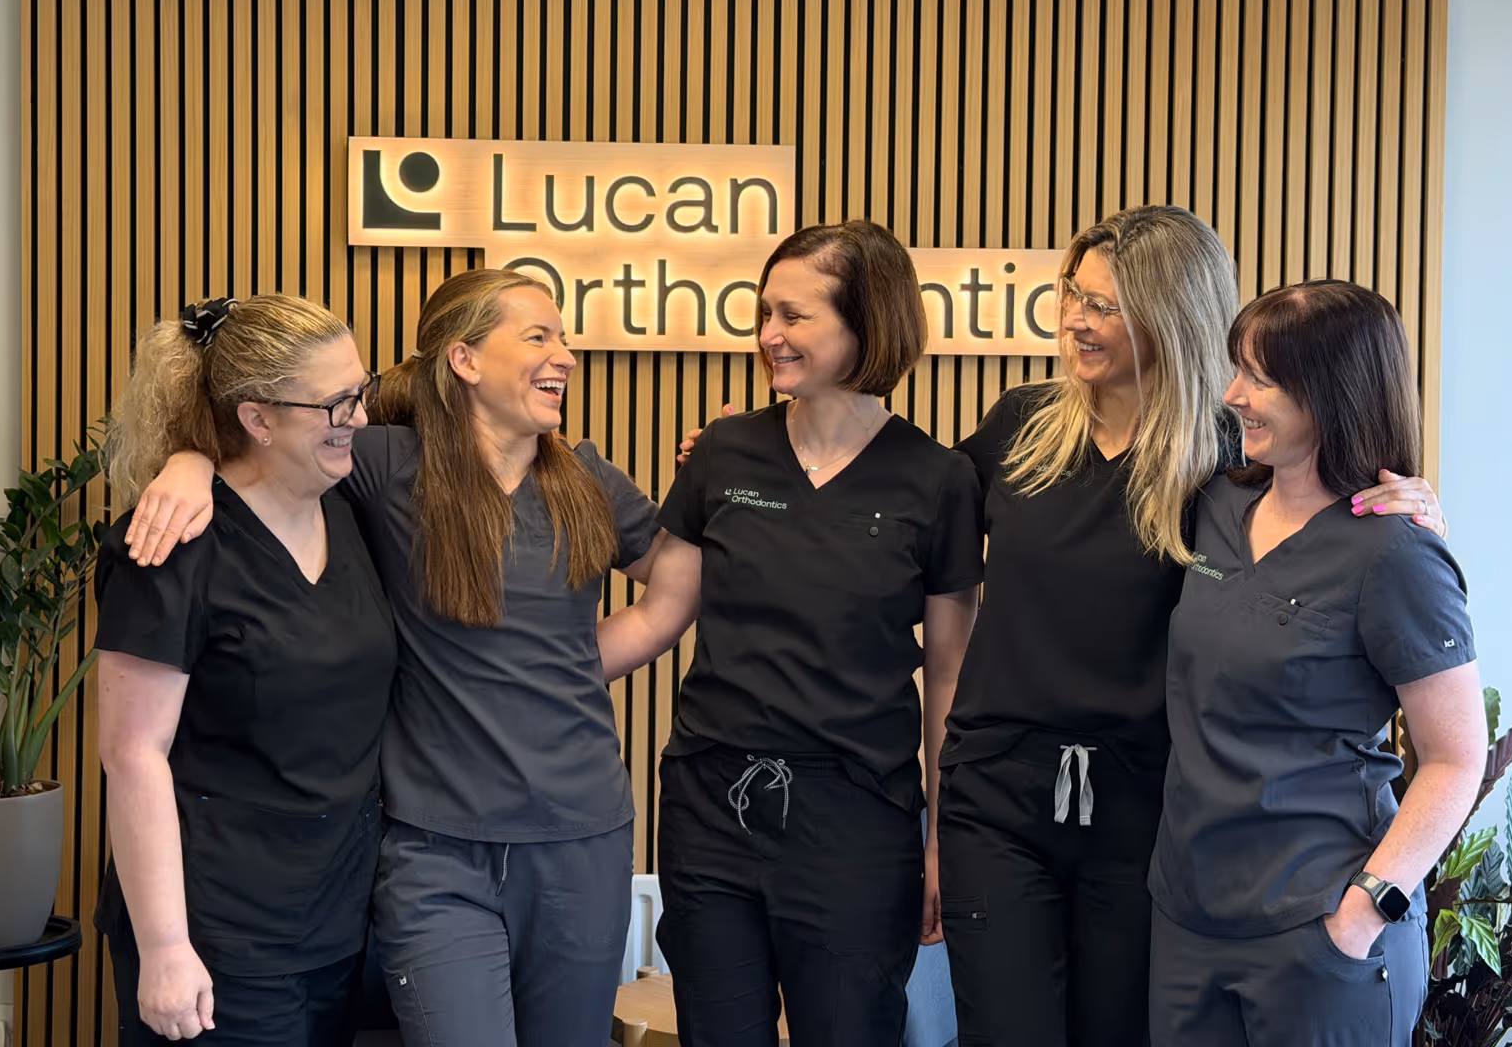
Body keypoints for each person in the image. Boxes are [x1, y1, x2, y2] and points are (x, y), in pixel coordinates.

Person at [935, 207, 1448, 1047]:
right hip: (1000, 799)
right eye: (1072, 295)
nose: (1075, 320)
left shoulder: (1227, 459)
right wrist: (754, 449)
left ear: (1170, 315)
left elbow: (1336, 528)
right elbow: (898, 510)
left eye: (1104, 305)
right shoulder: (1020, 428)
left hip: (1148, 816)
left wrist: (1419, 506)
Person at [124, 269, 665, 1047]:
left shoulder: (581, 477)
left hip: (561, 841)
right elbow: (271, 454)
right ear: (465, 359)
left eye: (566, 336)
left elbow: (680, 577)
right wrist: (192, 460)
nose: (566, 355)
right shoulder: (378, 466)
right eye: (540, 334)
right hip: (412, 852)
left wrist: (574, 662)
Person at [598, 220, 985, 1046]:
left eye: (795, 316)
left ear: (867, 322)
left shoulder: (939, 479)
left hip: (857, 817)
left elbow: (950, 677)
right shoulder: (726, 453)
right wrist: (511, 671)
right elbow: (657, 616)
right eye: (763, 312)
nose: (770, 335)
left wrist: (941, 840)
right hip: (710, 805)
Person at [1147, 280, 1485, 1047]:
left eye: (1259, 378)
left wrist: (1365, 909)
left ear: (1332, 393)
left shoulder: (1395, 550)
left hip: (1317, 925)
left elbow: (1456, 758)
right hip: (1187, 916)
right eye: (1237, 369)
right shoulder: (1215, 508)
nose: (1233, 395)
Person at [95, 294, 396, 1046]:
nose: (358, 416)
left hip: (338, 927)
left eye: (361, 389)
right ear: (258, 419)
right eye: (334, 402)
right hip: (217, 939)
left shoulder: (349, 509)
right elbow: (131, 754)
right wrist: (165, 947)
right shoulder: (173, 543)